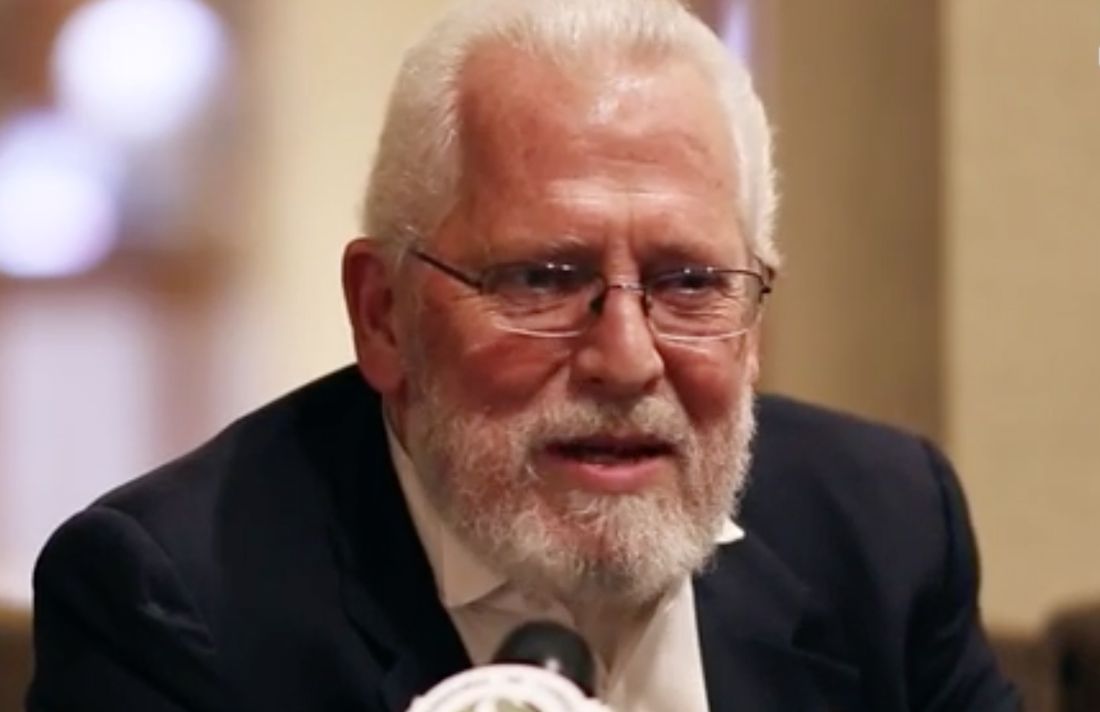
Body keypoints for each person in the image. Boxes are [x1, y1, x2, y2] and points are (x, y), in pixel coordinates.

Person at [26, 0, 1020, 710]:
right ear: (383, 315)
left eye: (688, 282)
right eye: (542, 278)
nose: (626, 361)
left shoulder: (882, 530)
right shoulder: (171, 604)